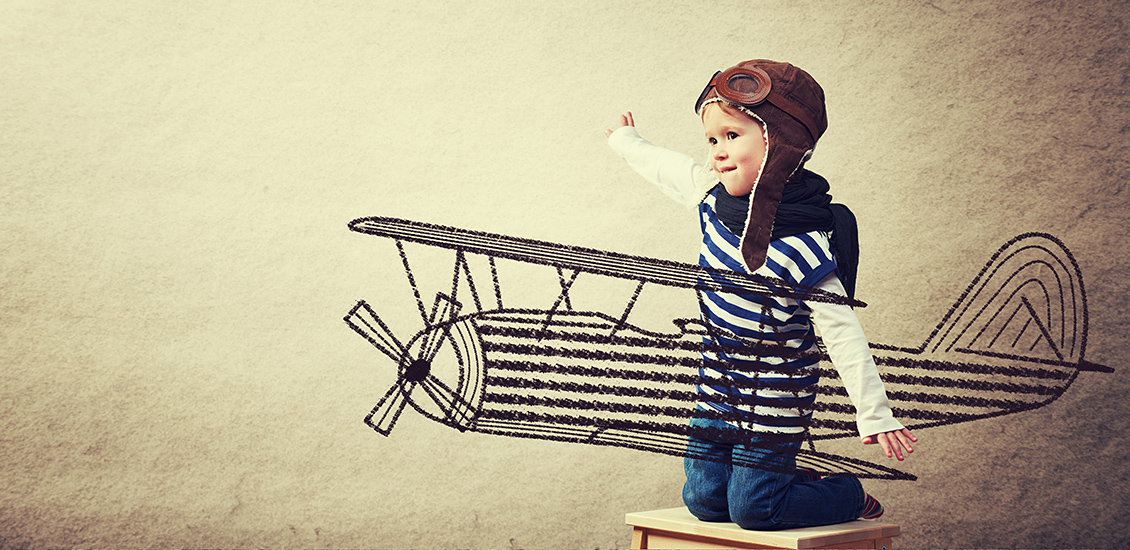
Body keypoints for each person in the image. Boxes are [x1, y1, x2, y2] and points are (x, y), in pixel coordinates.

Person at [604, 59, 917, 530]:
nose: (718, 154)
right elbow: (667, 167)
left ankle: (844, 493)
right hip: (718, 385)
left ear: (784, 145)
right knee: (706, 502)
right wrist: (627, 142)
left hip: (777, 393)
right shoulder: (711, 198)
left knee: (755, 511)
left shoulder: (806, 245)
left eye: (733, 136)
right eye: (712, 140)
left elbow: (842, 334)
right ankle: (780, 478)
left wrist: (875, 414)